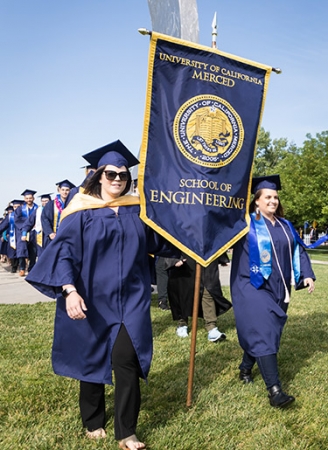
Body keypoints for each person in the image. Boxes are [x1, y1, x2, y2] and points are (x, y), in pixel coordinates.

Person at [26, 140, 177, 449]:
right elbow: (63, 253)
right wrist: (69, 291)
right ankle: (93, 419)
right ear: (98, 177)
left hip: (132, 299)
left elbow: (160, 241)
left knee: (127, 359)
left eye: (123, 175)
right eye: (111, 174)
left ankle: (127, 432)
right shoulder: (82, 210)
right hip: (92, 298)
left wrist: (191, 243)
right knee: (92, 358)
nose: (118, 180)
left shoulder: (137, 209)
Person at [230, 175, 315, 408]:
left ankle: (246, 367)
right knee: (265, 329)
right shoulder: (244, 223)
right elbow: (219, 234)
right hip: (251, 285)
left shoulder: (285, 225)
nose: (273, 201)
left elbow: (299, 250)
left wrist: (306, 274)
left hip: (279, 287)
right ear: (256, 201)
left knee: (268, 332)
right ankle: (275, 391)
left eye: (275, 197)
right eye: (268, 197)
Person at [165, 254, 231, 340]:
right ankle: (182, 324)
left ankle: (211, 327)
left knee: (208, 290)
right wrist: (173, 259)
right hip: (185, 255)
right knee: (183, 292)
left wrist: (221, 257)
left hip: (206, 256)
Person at [41, 180, 75, 248]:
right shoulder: (51, 204)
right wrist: (50, 232)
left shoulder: (73, 204)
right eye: (62, 190)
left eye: (67, 190)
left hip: (68, 237)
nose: (65, 192)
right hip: (53, 237)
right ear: (59, 190)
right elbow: (44, 218)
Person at [14, 189, 38, 275]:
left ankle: (31, 269)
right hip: (22, 232)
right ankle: (22, 268)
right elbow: (17, 220)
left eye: (30, 198)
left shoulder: (37, 208)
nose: (29, 200)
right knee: (22, 251)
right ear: (24, 199)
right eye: (27, 198)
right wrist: (27, 225)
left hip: (34, 232)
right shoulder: (20, 209)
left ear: (33, 198)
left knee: (33, 251)